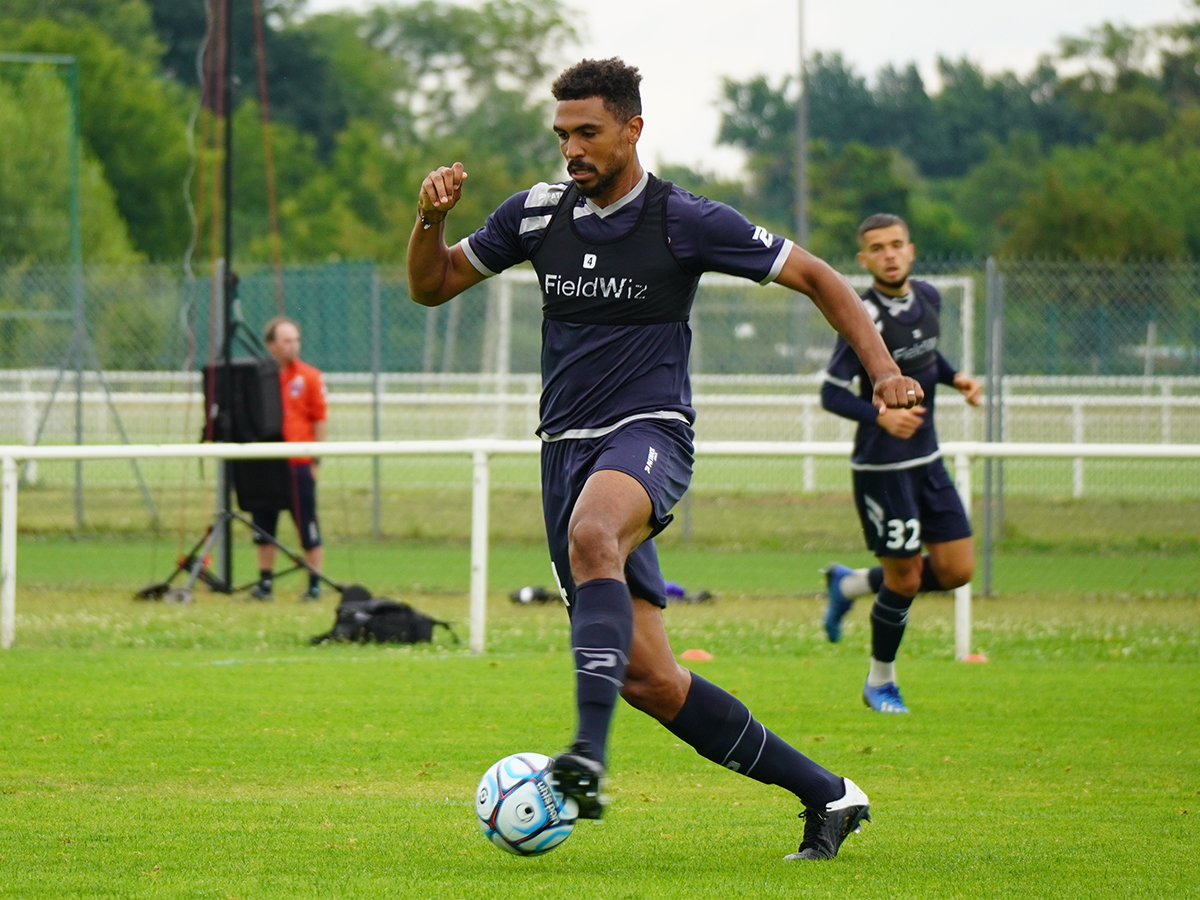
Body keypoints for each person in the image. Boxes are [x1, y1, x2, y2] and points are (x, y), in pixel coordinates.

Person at [406, 58, 923, 860]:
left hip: (650, 433)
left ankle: (585, 752)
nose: (571, 149)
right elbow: (432, 287)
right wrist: (429, 221)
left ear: (632, 130)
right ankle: (831, 794)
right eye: (562, 135)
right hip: (564, 452)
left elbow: (818, 277)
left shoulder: (684, 219)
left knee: (594, 534)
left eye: (588, 132)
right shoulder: (536, 216)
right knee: (650, 680)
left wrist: (883, 370)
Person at [819, 213, 982, 713]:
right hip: (882, 470)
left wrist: (956, 380)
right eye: (877, 247)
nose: (888, 254)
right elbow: (830, 392)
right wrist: (879, 418)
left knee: (956, 570)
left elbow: (926, 357)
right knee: (907, 578)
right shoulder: (861, 315)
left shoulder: (929, 297)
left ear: (910, 250)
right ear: (864, 259)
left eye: (896, 245)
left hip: (927, 460)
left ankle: (848, 583)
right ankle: (880, 683)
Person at [250, 316, 328, 602]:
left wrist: (316, 460)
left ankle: (314, 586)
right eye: (286, 340)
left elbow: (320, 418)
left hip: (298, 463)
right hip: (267, 464)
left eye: (296, 340)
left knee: (307, 525)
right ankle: (265, 584)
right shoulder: (258, 376)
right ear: (271, 345)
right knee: (263, 524)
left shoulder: (309, 377)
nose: (293, 346)